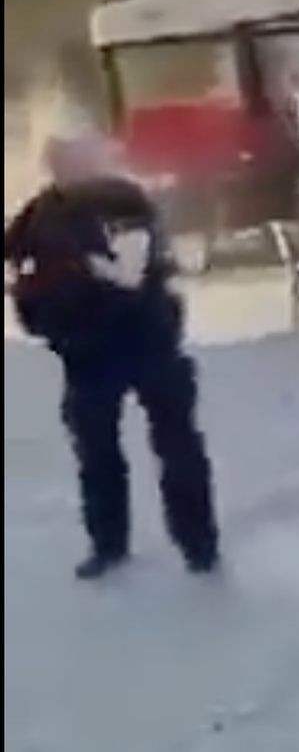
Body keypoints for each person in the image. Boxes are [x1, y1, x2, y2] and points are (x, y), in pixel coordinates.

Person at [4, 134, 219, 579]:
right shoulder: (46, 211)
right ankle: (133, 544)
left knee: (160, 445)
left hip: (133, 339)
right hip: (96, 345)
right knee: (117, 449)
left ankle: (188, 544)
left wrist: (75, 272)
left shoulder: (117, 202)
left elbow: (129, 276)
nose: (63, 170)